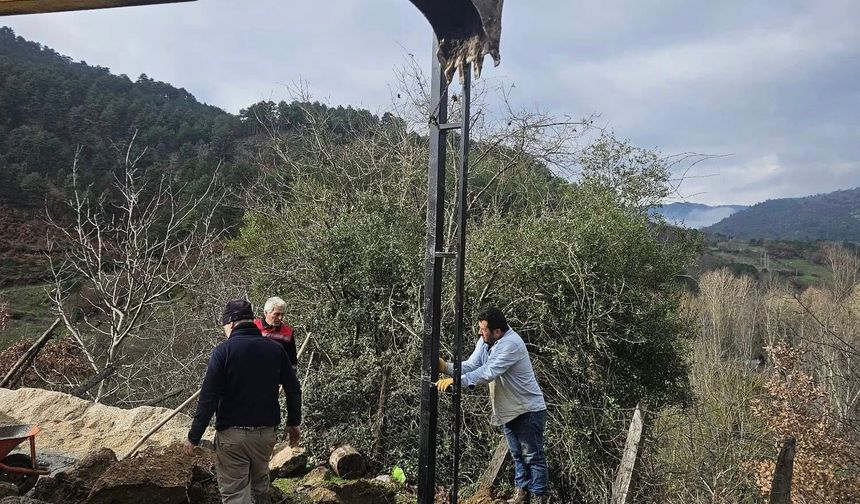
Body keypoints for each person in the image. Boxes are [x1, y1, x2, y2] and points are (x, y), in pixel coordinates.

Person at [184, 299, 302, 504]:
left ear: (230, 323)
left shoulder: (223, 352)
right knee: (259, 488)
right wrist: (293, 422)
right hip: (265, 434)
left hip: (232, 436)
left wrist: (194, 436)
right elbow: (293, 389)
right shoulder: (275, 350)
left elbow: (208, 397)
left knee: (236, 494)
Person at [437, 307, 548, 504]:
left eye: (483, 329)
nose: (480, 332)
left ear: (497, 331)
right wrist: (447, 368)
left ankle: (538, 499)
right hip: (509, 410)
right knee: (517, 456)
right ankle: (520, 497)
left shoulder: (511, 344)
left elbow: (489, 371)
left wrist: (456, 380)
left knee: (533, 457)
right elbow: (472, 364)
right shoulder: (487, 341)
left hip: (528, 409)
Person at [254, 296, 298, 370]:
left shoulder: (288, 332)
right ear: (265, 312)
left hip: (276, 376)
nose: (280, 318)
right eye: (277, 314)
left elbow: (292, 360)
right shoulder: (253, 327)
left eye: (282, 314)